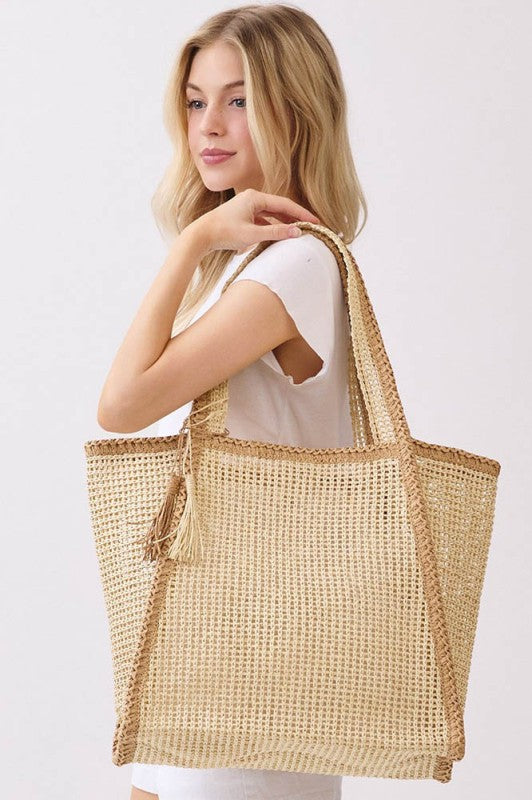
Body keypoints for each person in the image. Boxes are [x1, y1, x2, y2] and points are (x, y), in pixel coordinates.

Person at [97, 3, 367, 798]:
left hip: (257, 643)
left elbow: (122, 404)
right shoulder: (256, 265)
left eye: (238, 99)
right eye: (195, 101)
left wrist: (191, 243)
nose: (208, 126)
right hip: (211, 625)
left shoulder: (295, 268)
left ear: (296, 108)